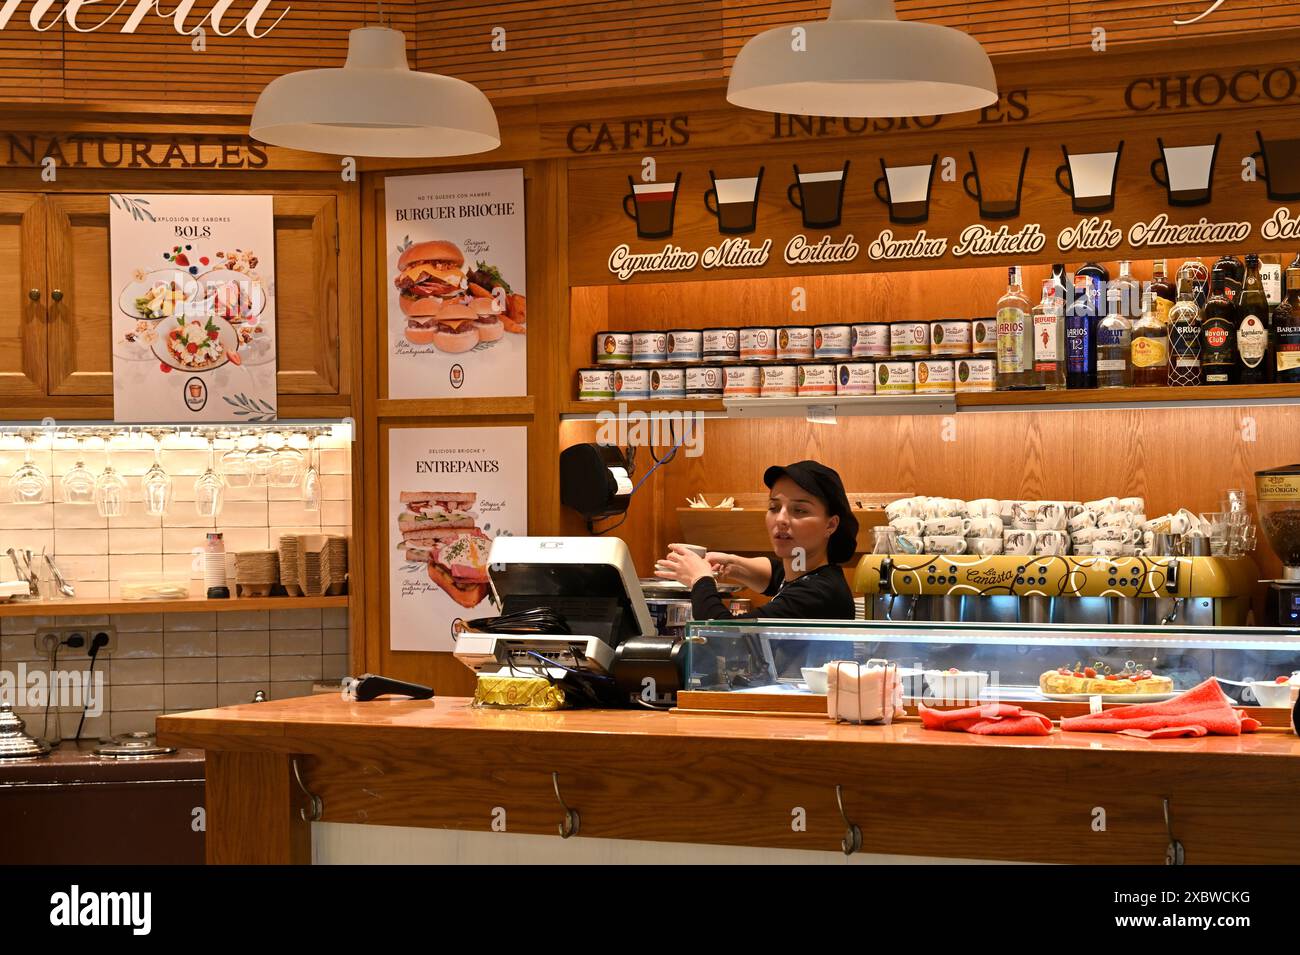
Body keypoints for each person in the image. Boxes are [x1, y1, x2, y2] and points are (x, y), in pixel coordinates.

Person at [655, 460, 858, 620]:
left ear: (830, 525)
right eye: (774, 507)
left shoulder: (817, 595)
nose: (781, 519)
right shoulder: (807, 570)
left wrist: (700, 580)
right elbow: (777, 574)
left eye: (800, 510)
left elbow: (723, 636)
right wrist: (732, 564)